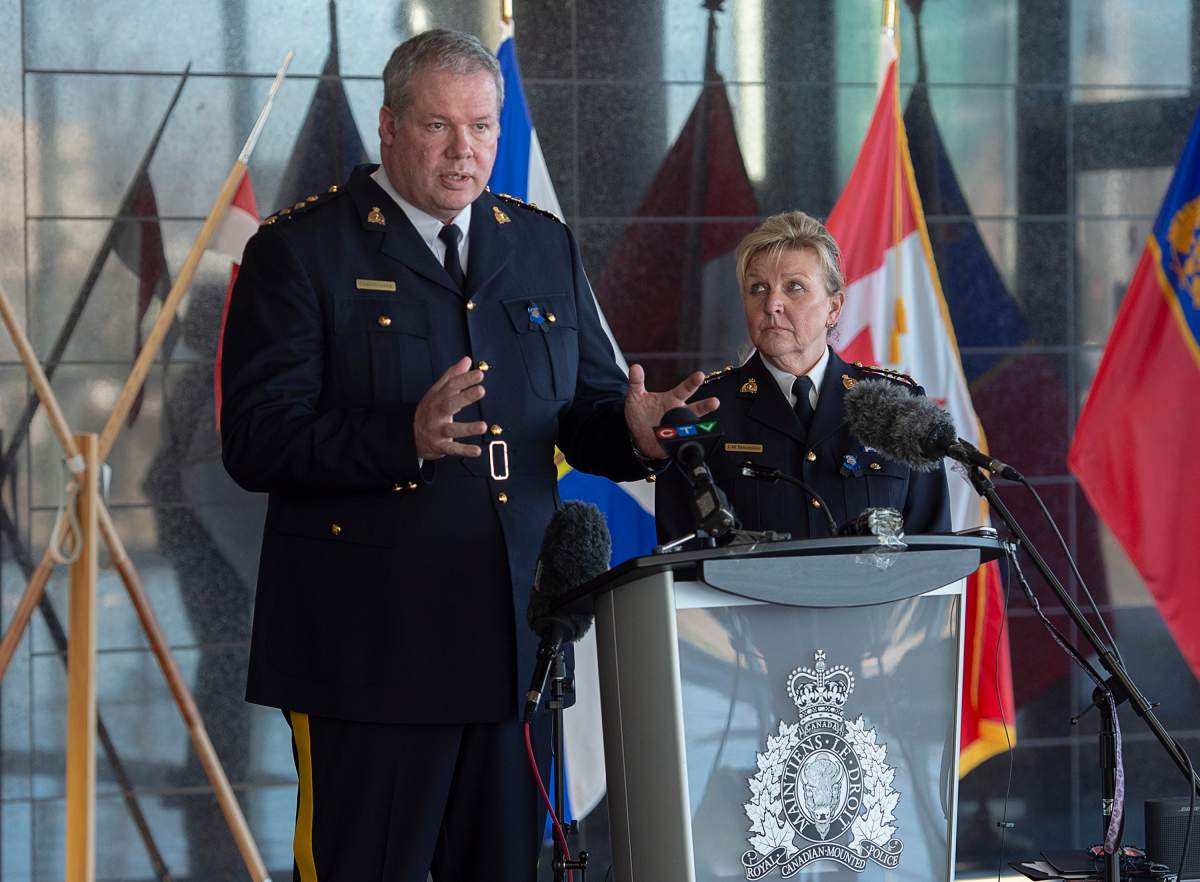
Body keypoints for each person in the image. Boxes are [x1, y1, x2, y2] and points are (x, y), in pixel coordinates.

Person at [219, 29, 715, 882]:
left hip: (512, 650)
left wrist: (635, 433)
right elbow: (255, 439)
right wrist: (399, 440)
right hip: (369, 655)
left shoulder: (538, 243)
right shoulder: (300, 251)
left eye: (483, 127)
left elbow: (581, 413)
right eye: (440, 127)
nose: (467, 151)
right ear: (387, 126)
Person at [655, 210, 950, 543]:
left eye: (794, 287)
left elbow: (934, 551)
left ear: (834, 308)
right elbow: (679, 558)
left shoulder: (899, 407)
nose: (772, 304)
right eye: (757, 289)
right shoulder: (703, 410)